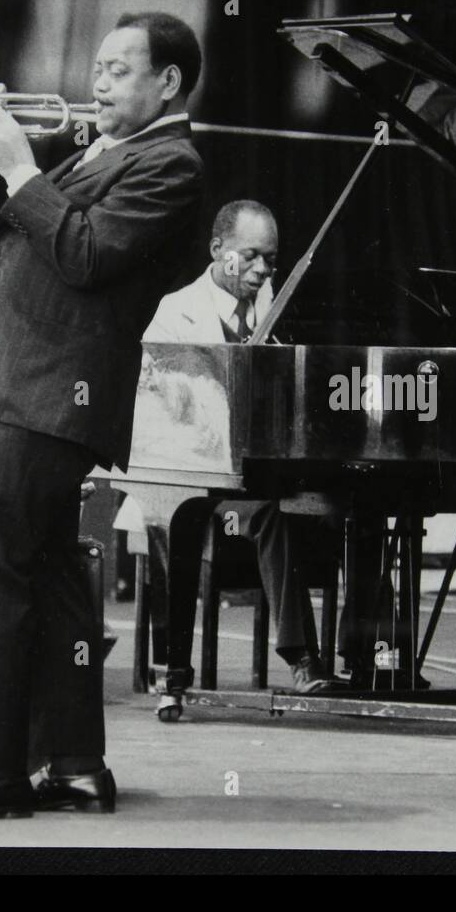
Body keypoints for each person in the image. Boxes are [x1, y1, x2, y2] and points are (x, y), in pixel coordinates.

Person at [0, 12, 204, 820]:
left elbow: (83, 255)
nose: (96, 82)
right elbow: (20, 239)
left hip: (49, 387)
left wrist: (23, 167)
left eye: (116, 69)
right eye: (98, 68)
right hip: (30, 381)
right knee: (49, 571)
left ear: (168, 82)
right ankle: (75, 764)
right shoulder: (111, 150)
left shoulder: (170, 163)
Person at [141, 199, 339, 693]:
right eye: (249, 256)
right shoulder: (173, 312)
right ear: (217, 249)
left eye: (270, 259)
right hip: (202, 482)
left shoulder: (287, 309)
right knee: (271, 511)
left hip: (272, 472)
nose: (261, 269)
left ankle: (374, 658)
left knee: (359, 504)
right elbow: (160, 404)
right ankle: (302, 659)